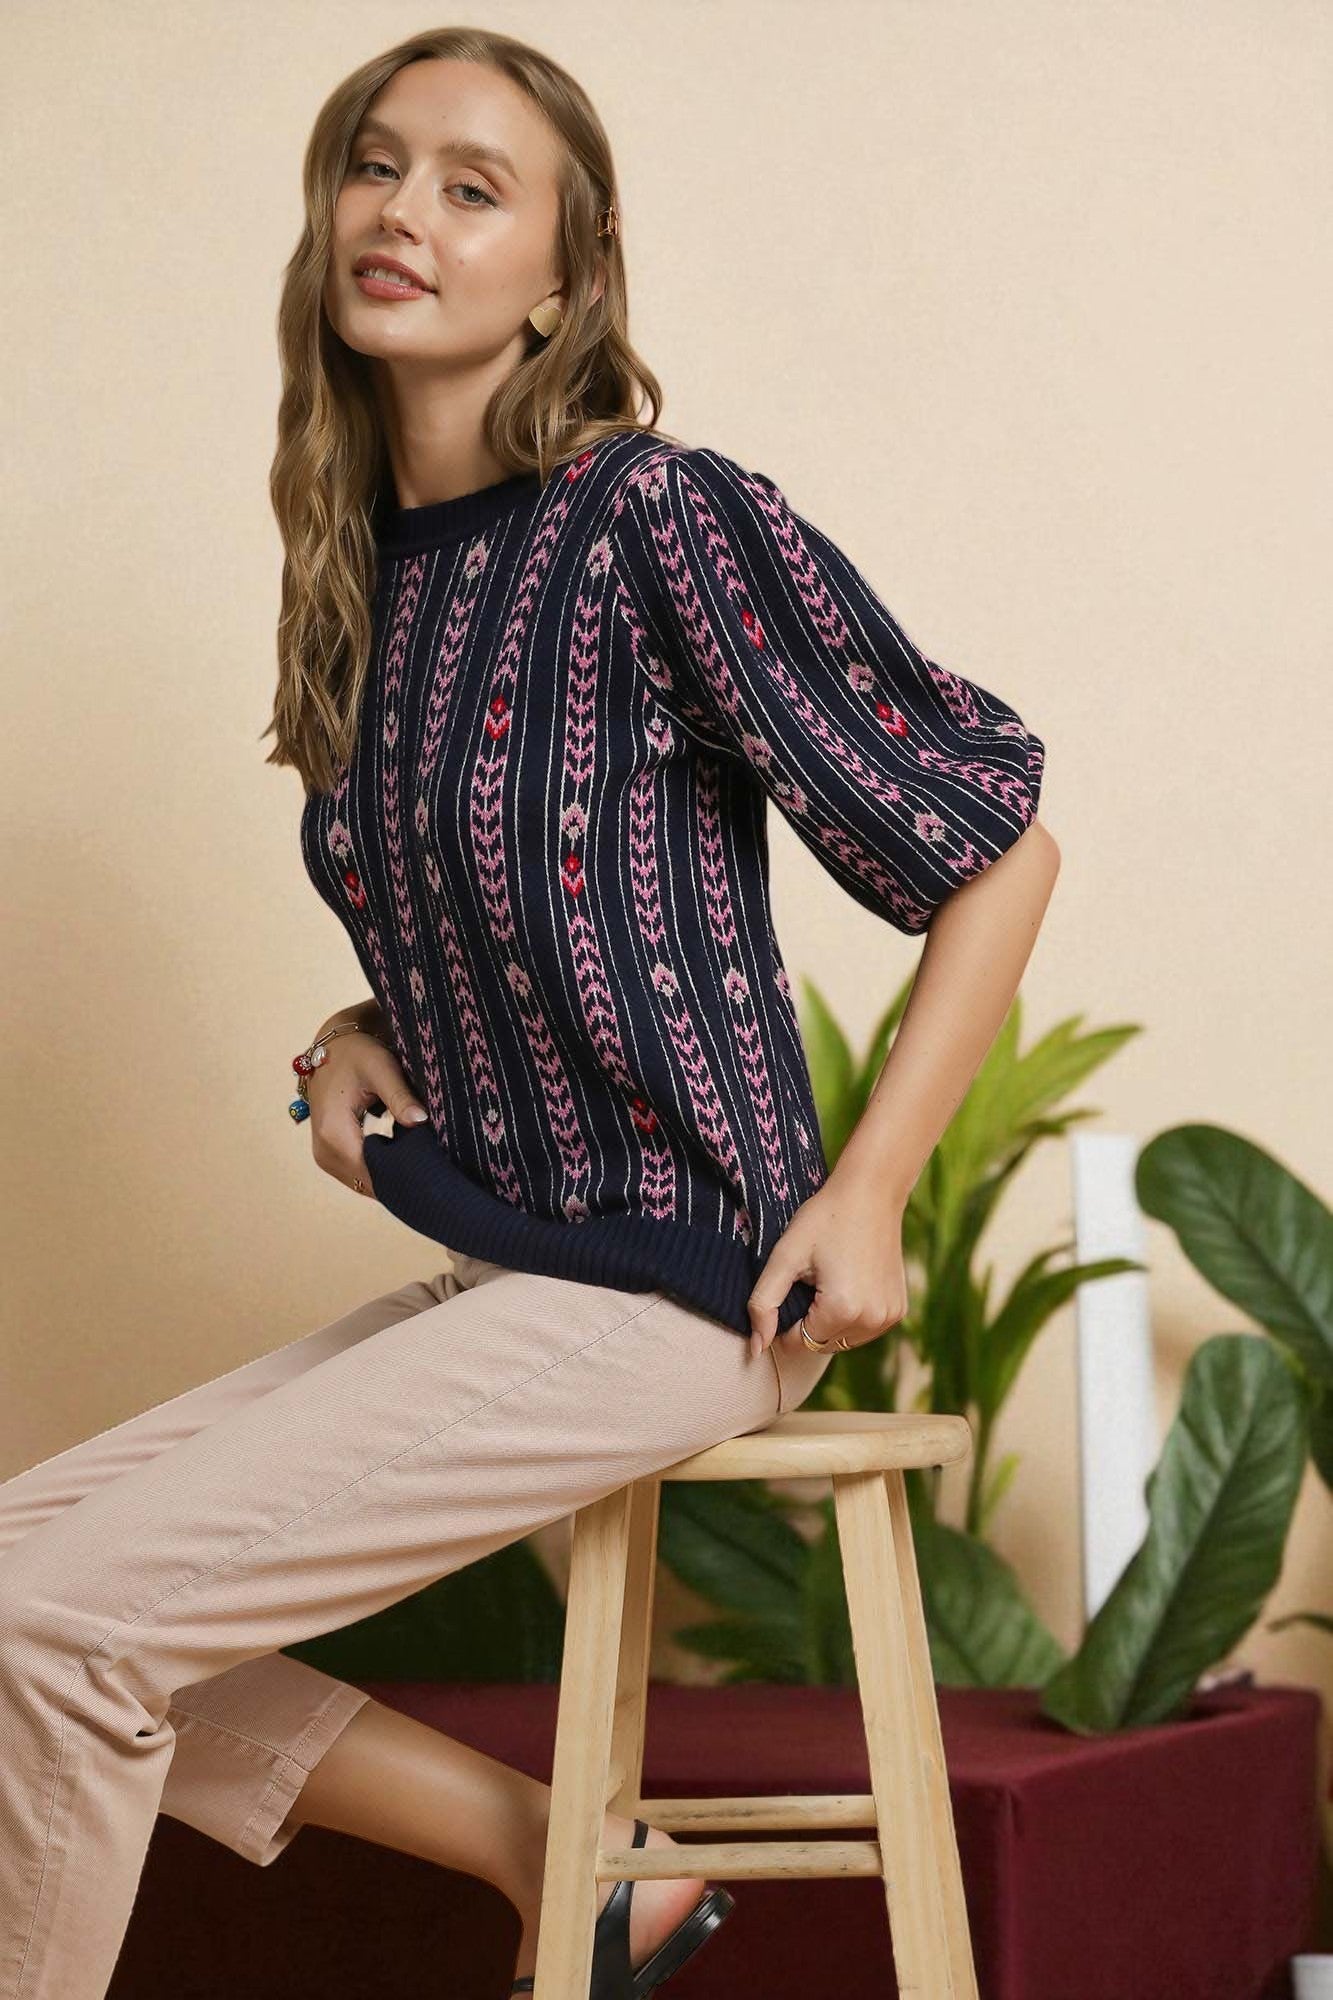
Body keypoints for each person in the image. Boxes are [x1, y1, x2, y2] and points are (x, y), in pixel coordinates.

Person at [0, 26, 1060, 2000]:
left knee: (54, 1626)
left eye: (475, 187)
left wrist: (872, 1189)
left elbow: (999, 846)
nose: (405, 211)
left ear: (567, 279)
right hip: (517, 1266)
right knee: (8, 1595)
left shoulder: (650, 516)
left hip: (685, 1283)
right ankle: (562, 1862)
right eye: (376, 165)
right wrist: (355, 1023)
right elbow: (517, 893)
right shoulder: (374, 576)